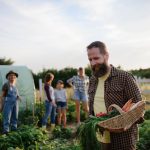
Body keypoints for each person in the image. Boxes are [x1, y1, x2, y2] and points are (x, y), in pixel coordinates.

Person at [87, 41, 144, 150]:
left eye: (96, 58)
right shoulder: (93, 80)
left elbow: (140, 108)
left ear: (106, 56)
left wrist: (124, 123)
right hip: (100, 137)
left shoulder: (124, 77)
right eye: (90, 59)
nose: (93, 63)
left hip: (122, 139)